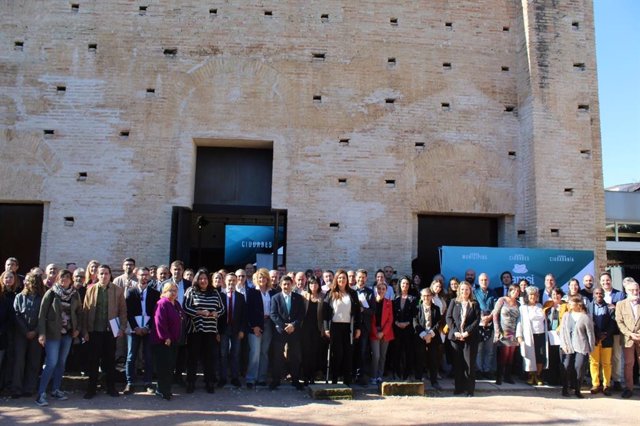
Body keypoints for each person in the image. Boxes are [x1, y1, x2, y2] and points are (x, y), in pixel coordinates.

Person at [35, 269, 82, 406]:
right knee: (51, 362)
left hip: (67, 333)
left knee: (61, 362)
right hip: (52, 333)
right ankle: (41, 393)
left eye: (67, 277)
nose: (64, 280)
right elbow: (42, 314)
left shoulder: (75, 294)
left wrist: (77, 329)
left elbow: (79, 313)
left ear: (71, 280)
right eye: (62, 277)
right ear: (58, 279)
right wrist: (42, 333)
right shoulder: (51, 293)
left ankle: (56, 389)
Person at [81, 264, 127, 399]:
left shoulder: (117, 290)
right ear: (97, 275)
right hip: (94, 330)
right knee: (93, 360)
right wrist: (85, 331)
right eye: (101, 273)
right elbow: (85, 311)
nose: (103, 276)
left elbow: (123, 311)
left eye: (106, 273)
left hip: (110, 330)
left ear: (110, 275)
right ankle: (91, 388)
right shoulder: (91, 290)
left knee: (109, 360)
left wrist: (122, 328)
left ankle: (110, 387)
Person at [182, 268, 224, 394]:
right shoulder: (191, 291)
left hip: (210, 330)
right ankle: (190, 382)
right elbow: (185, 307)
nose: (203, 280)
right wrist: (199, 312)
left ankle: (209, 382)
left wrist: (217, 313)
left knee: (209, 357)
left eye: (205, 278)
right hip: (195, 330)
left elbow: (222, 308)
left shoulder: (215, 292)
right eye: (200, 278)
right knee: (193, 357)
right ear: (197, 280)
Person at [123, 267, 160, 394]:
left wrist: (147, 327)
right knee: (131, 356)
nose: (144, 277)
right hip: (134, 329)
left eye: (146, 275)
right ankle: (130, 382)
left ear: (149, 277)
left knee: (148, 356)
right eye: (141, 275)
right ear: (136, 276)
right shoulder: (131, 292)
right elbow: (128, 312)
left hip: (148, 329)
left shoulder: (155, 293)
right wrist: (135, 327)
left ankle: (148, 382)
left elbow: (156, 313)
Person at [323, 269, 361, 386]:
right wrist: (326, 328)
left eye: (344, 278)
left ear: (347, 280)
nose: (342, 280)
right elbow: (325, 313)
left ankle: (347, 380)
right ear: (336, 279)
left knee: (348, 354)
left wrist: (358, 328)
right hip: (335, 327)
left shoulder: (353, 294)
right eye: (339, 278)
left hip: (348, 327)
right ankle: (334, 380)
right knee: (337, 354)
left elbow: (358, 312)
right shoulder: (330, 293)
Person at [11, 272, 44, 399]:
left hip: (36, 334)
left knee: (34, 362)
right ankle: (16, 388)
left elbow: (43, 317)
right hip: (21, 334)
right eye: (29, 281)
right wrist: (25, 331)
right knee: (19, 361)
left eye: (34, 282)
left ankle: (29, 388)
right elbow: (17, 314)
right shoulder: (19, 297)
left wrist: (35, 331)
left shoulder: (42, 298)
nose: (31, 284)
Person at [446, 281, 481, 396]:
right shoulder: (453, 302)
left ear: (470, 290)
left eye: (467, 289)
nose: (464, 291)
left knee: (469, 364)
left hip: (470, 338)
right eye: (462, 289)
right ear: (458, 290)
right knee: (458, 364)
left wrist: (467, 332)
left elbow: (477, 320)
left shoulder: (474, 303)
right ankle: (458, 388)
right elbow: (449, 317)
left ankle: (470, 390)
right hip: (456, 338)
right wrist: (455, 332)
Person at [269, 275, 305, 390]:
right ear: (280, 285)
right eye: (284, 284)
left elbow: (301, 314)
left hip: (294, 331)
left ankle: (295, 380)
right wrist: (284, 326)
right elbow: (273, 314)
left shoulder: (298, 298)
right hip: (280, 331)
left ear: (292, 285)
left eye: (288, 284)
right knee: (277, 356)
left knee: (295, 356)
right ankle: (276, 380)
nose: (286, 286)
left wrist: (293, 325)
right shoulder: (275, 298)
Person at [151, 282, 184, 400]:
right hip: (163, 341)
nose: (174, 293)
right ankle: (163, 391)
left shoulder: (176, 303)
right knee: (164, 367)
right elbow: (159, 322)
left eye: (175, 290)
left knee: (170, 366)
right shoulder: (162, 303)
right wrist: (166, 337)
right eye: (171, 290)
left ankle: (164, 389)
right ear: (164, 292)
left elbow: (181, 316)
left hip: (174, 340)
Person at [245, 268, 276, 388]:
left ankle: (262, 378)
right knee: (255, 352)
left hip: (269, 324)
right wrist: (254, 326)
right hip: (256, 325)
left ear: (267, 279)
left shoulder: (272, 292)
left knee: (264, 352)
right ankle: (251, 379)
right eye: (260, 277)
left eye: (264, 277)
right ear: (256, 279)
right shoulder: (252, 292)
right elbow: (249, 311)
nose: (262, 279)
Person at [559, 296, 595, 398]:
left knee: (579, 367)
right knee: (566, 366)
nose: (569, 305)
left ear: (578, 304)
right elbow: (562, 331)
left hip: (581, 346)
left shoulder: (585, 317)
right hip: (567, 345)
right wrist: (564, 344)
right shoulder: (566, 315)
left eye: (571, 303)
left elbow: (590, 333)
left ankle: (577, 389)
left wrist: (591, 348)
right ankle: (565, 389)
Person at [219, 272, 247, 388]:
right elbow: (218, 316)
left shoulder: (241, 297)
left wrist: (242, 330)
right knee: (223, 354)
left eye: (233, 281)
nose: (231, 283)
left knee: (235, 354)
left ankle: (235, 377)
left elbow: (244, 315)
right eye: (229, 281)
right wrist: (217, 331)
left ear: (237, 282)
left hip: (236, 330)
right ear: (225, 282)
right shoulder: (221, 295)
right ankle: (223, 378)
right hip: (223, 329)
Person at [516, 286, 548, 386]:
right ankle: (530, 375)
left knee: (540, 356)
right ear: (527, 296)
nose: (532, 296)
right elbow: (519, 323)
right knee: (530, 356)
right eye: (530, 294)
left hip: (541, 334)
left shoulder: (541, 306)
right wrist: (519, 336)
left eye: (534, 294)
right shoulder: (523, 308)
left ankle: (538, 376)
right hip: (529, 335)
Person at [587, 287, 616, 396]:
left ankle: (606, 385)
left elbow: (613, 323)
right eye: (596, 293)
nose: (599, 295)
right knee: (594, 362)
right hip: (594, 338)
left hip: (607, 339)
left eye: (600, 293)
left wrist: (605, 334)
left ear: (603, 294)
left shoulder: (609, 307)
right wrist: (597, 334)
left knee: (607, 363)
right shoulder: (589, 307)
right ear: (593, 295)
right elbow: (589, 322)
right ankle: (595, 384)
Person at [614, 278, 640, 399]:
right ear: (626, 291)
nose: (635, 292)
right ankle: (629, 388)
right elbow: (619, 322)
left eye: (637, 289)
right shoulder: (620, 304)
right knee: (629, 364)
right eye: (632, 290)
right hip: (628, 338)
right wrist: (630, 334)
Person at [414, 288, 442, 390]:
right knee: (419, 358)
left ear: (431, 296)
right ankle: (418, 379)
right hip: (420, 336)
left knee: (433, 359)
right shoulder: (417, 308)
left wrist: (430, 334)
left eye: (428, 295)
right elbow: (415, 322)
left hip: (433, 337)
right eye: (424, 296)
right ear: (421, 297)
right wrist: (423, 334)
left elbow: (438, 323)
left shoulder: (436, 308)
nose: (426, 297)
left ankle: (434, 381)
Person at [492, 284, 520, 385]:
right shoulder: (502, 300)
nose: (516, 292)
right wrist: (497, 330)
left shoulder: (519, 303)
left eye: (518, 291)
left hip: (514, 333)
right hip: (503, 332)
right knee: (503, 355)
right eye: (514, 290)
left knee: (510, 356)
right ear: (510, 291)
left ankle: (507, 376)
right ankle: (499, 377)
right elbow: (495, 314)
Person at [392, 276, 417, 380]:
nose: (405, 286)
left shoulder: (413, 298)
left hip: (408, 329)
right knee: (396, 351)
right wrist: (396, 322)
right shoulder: (395, 298)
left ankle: (407, 373)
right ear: (400, 285)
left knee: (408, 352)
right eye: (403, 284)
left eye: (407, 284)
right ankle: (396, 372)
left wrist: (407, 323)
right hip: (397, 328)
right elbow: (392, 313)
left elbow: (415, 314)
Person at [301, 276, 325, 386]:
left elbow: (324, 314)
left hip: (317, 329)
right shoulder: (304, 296)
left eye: (315, 284)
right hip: (305, 328)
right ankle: (305, 376)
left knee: (314, 353)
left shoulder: (322, 297)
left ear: (319, 285)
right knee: (306, 352)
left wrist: (324, 329)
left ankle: (312, 377)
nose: (313, 286)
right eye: (311, 284)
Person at [354, 269, 376, 384]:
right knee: (352, 351)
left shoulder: (370, 292)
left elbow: (373, 311)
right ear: (356, 278)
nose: (361, 279)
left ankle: (361, 376)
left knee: (363, 352)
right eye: (359, 277)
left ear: (366, 279)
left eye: (363, 277)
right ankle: (350, 374)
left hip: (364, 327)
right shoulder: (351, 290)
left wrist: (363, 310)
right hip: (352, 326)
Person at [370, 281, 394, 384]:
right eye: (379, 288)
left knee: (383, 356)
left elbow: (390, 319)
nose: (381, 290)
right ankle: (373, 376)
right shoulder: (371, 302)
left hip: (385, 332)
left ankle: (380, 376)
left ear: (386, 290)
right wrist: (376, 332)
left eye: (383, 289)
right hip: (374, 332)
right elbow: (370, 319)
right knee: (376, 355)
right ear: (375, 289)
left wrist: (383, 332)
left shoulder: (389, 302)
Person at [542, 288, 566, 386]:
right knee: (551, 357)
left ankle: (561, 380)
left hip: (561, 335)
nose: (555, 296)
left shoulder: (565, 306)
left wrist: (559, 329)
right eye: (553, 294)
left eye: (557, 294)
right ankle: (551, 380)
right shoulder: (548, 305)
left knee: (561, 358)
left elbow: (566, 319)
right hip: (550, 335)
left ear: (561, 295)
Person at [474, 273, 496, 379]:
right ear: (479, 281)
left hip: (490, 324)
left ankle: (487, 370)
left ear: (489, 281)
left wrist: (490, 317)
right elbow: (473, 307)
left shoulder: (493, 292)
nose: (484, 282)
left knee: (489, 349)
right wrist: (481, 317)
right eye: (482, 280)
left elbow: (497, 307)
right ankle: (478, 370)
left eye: (486, 280)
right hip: (478, 324)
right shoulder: (474, 292)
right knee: (478, 349)